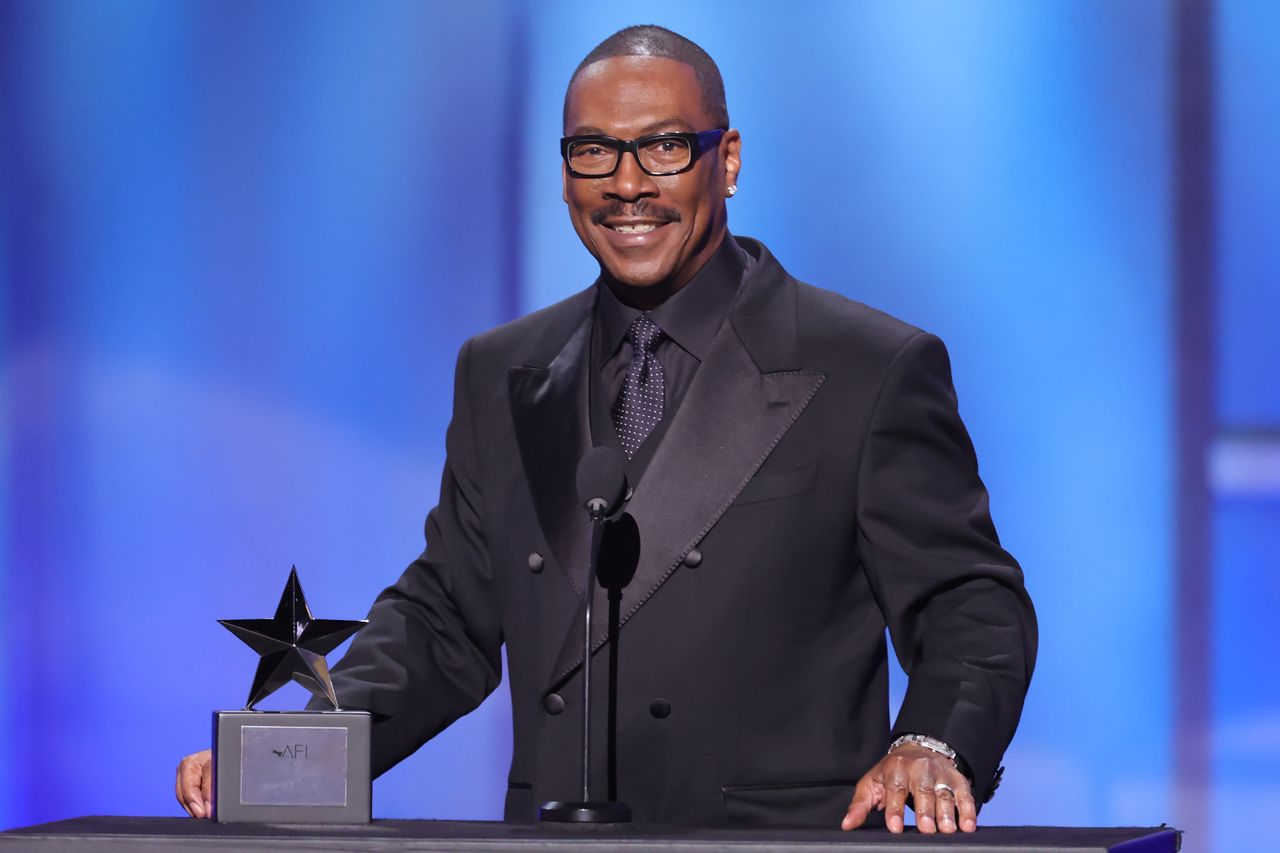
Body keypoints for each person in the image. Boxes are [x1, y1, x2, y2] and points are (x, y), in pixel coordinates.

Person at [177, 25, 1036, 834]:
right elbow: (444, 619)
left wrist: (932, 741)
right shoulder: (501, 370)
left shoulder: (866, 367)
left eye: (664, 147)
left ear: (728, 160)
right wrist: (295, 753)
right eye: (594, 151)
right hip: (559, 843)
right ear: (564, 175)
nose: (627, 185)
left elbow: (970, 601)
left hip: (768, 844)